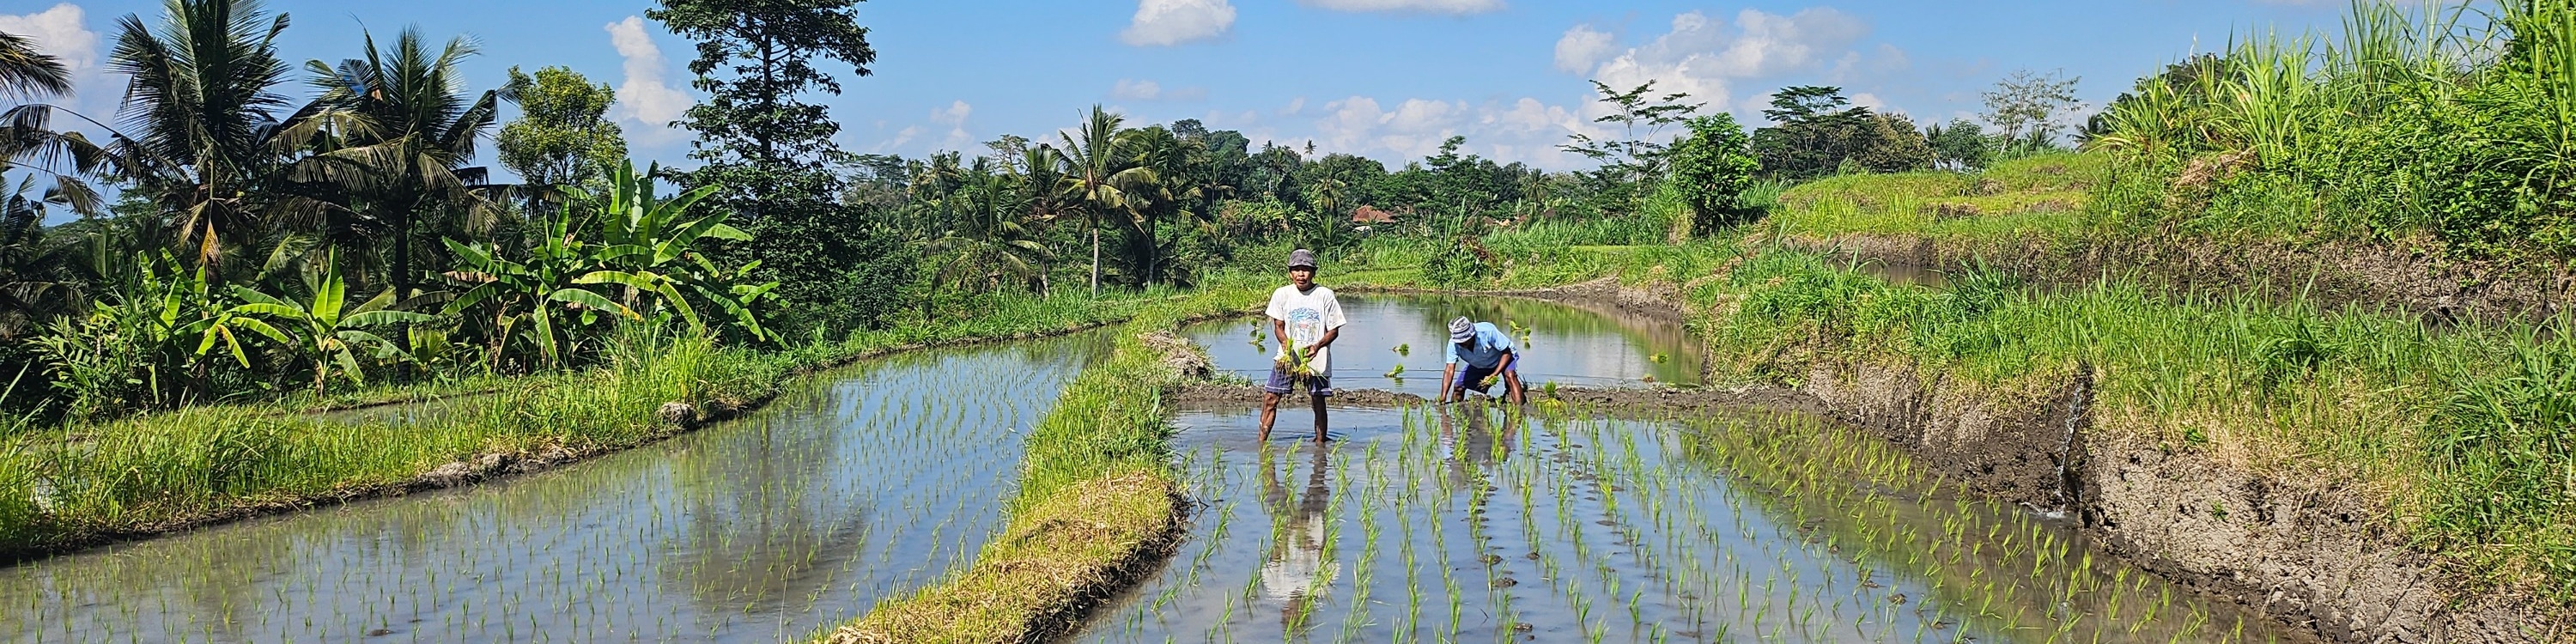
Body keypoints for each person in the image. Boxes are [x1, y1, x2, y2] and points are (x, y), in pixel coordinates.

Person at [1260, 249, 1346, 441]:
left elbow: (1334, 330)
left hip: (1315, 357)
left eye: (1305, 270)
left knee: (1318, 401)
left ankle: (1320, 444)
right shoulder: (1282, 294)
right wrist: (1285, 345)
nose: (1301, 274)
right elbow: (1278, 326)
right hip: (1287, 358)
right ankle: (1261, 443)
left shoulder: (1324, 295)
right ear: (1290, 273)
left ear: (1313, 272)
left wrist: (1317, 346)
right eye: (1296, 269)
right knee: (1271, 398)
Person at [1441, 316, 1526, 404]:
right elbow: (1449, 370)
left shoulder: (1487, 332)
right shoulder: (1453, 345)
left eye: (1464, 340)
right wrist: (1443, 396)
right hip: (1480, 363)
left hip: (1503, 356)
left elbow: (1507, 353)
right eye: (1459, 341)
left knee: (1510, 375)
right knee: (1458, 387)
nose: (1462, 343)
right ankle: (1456, 411)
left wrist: (1494, 375)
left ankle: (1520, 410)